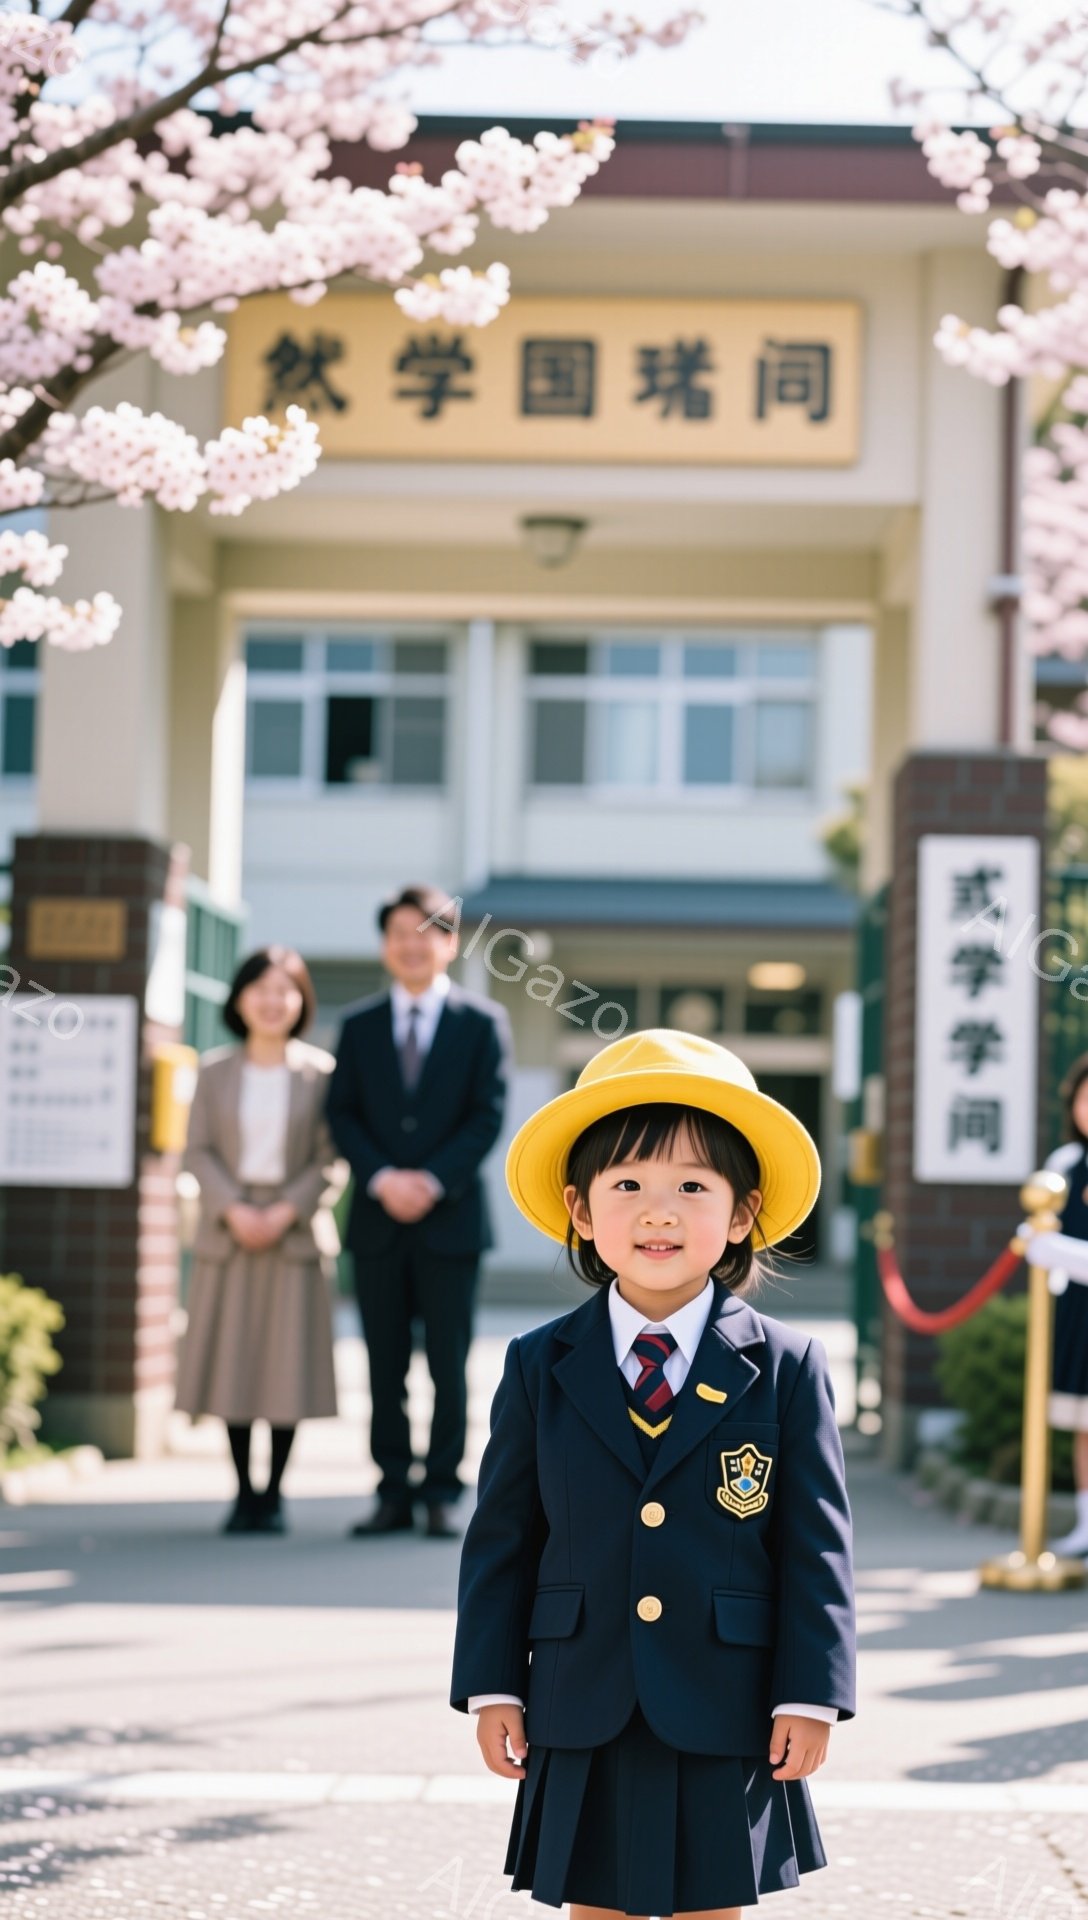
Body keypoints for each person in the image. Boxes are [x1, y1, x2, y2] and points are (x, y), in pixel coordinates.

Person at [451, 1027, 856, 1920]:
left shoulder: (785, 1366)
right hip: (579, 1687)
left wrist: (813, 1692)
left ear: (743, 1212)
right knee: (595, 1906)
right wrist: (492, 1684)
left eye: (692, 1187)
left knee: (715, 1906)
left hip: (727, 1694)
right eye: (627, 1185)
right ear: (581, 1212)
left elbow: (815, 1544)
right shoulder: (537, 1362)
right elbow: (504, 1537)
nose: (659, 1211)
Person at [327, 884, 512, 1540]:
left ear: (450, 942)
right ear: (385, 945)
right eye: (400, 933)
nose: (413, 944)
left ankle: (441, 1490)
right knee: (382, 1365)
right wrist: (380, 1178)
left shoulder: (482, 1023)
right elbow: (341, 1113)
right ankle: (391, 1490)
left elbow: (486, 1116)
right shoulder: (357, 1026)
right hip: (378, 1224)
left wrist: (431, 1180)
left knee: (448, 1364)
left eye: (426, 932)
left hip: (451, 1222)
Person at [175, 946, 346, 1535]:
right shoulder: (215, 1070)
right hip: (229, 1233)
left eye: (285, 990)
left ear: (300, 1001)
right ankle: (243, 1491)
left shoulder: (322, 1074)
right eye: (261, 990)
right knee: (233, 1364)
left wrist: (283, 1211)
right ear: (241, 999)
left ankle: (274, 1493)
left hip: (293, 1235)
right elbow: (196, 1148)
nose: (272, 1002)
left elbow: (332, 1159)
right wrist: (234, 1208)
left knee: (285, 1366)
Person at [1046, 1052, 1088, 1556]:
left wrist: (1059, 1252)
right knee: (1084, 1422)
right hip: (1079, 1312)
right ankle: (1085, 1523)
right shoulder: (1064, 1166)